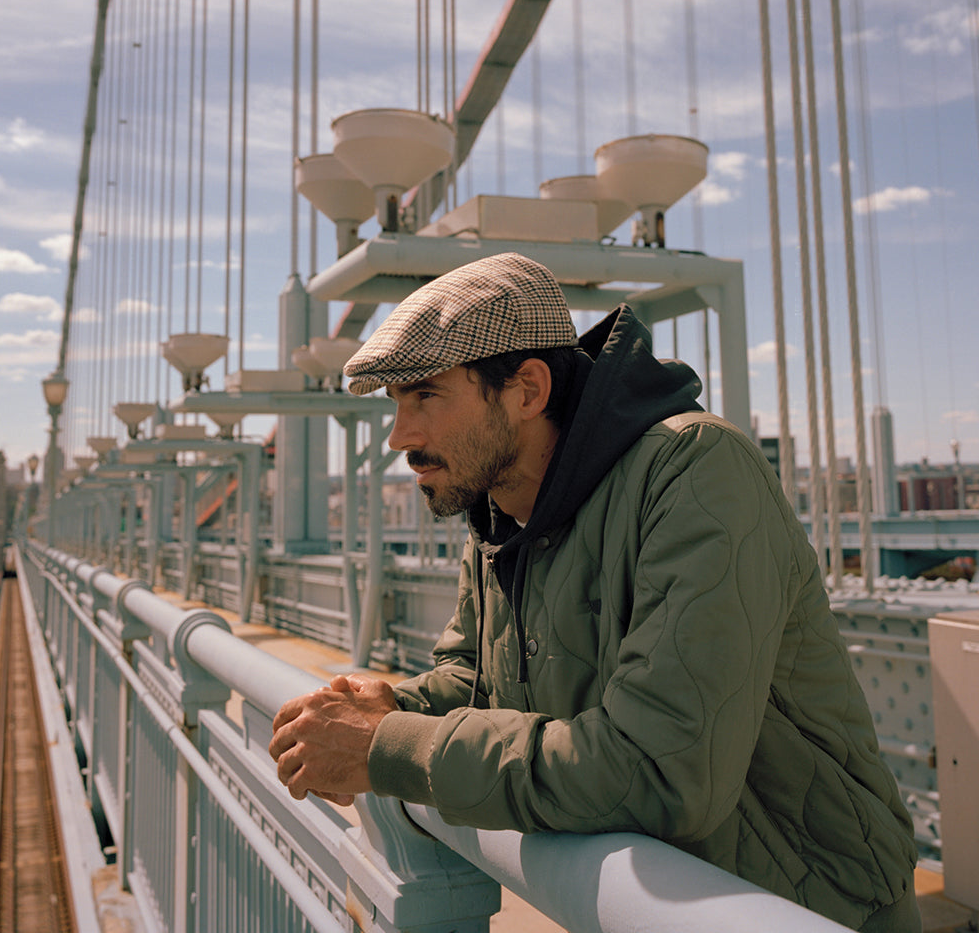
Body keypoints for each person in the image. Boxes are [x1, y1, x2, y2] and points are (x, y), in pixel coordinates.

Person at [269, 252, 920, 931]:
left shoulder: (696, 473)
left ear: (526, 390)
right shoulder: (500, 511)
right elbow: (481, 680)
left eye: (426, 396)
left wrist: (390, 748)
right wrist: (392, 706)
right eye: (397, 405)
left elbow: (660, 771)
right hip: (656, 901)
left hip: (803, 906)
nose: (402, 436)